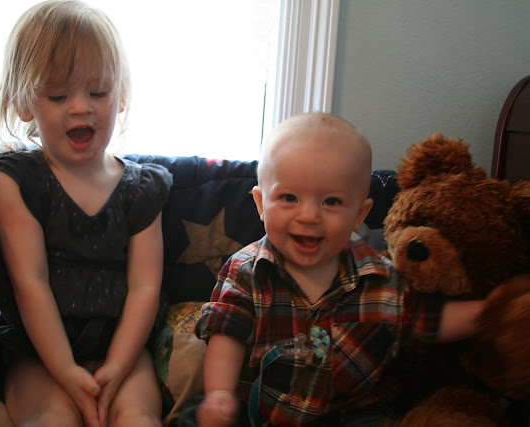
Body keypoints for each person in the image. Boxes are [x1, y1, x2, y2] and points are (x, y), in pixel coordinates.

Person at [190, 112, 485, 426]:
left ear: (359, 214)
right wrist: (218, 394)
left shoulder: (382, 279)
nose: (308, 216)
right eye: (289, 198)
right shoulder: (246, 271)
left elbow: (429, 320)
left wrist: (492, 312)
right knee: (195, 415)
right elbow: (227, 336)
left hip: (352, 413)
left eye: (331, 202)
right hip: (264, 411)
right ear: (261, 204)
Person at [0, 1, 171, 426]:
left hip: (121, 343)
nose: (81, 107)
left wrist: (117, 365)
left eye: (98, 92)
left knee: (137, 416)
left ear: (122, 96)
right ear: (25, 104)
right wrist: (65, 372)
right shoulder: (21, 181)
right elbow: (31, 284)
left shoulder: (142, 189)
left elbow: (145, 286)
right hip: (35, 349)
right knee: (53, 417)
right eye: (59, 96)